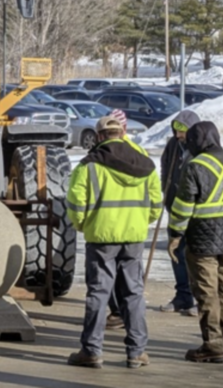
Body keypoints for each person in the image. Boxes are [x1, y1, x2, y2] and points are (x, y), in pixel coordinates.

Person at [67, 116, 163, 370]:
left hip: (100, 239)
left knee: (99, 293)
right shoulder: (145, 163)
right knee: (133, 293)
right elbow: (156, 202)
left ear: (99, 136)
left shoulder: (88, 166)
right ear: (122, 133)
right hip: (133, 237)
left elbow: (76, 203)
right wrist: (142, 222)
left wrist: (83, 225)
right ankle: (137, 352)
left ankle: (92, 351)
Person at [168, 121, 223, 364]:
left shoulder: (194, 166)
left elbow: (183, 207)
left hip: (201, 239)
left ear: (196, 142)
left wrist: (175, 235)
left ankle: (212, 344)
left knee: (206, 292)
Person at [106, 108, 147, 330]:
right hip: (133, 230)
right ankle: (135, 332)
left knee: (105, 281)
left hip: (106, 229)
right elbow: (153, 195)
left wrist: (84, 223)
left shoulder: (100, 154)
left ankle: (116, 313)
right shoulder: (140, 154)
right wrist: (145, 220)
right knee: (132, 284)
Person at [160, 111, 202, 316]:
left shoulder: (201, 147)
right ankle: (183, 296)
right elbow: (165, 170)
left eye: (183, 131)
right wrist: (167, 198)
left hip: (196, 212)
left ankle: (198, 297)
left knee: (196, 255)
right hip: (176, 209)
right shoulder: (173, 146)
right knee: (177, 252)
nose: (178, 136)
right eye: (176, 131)